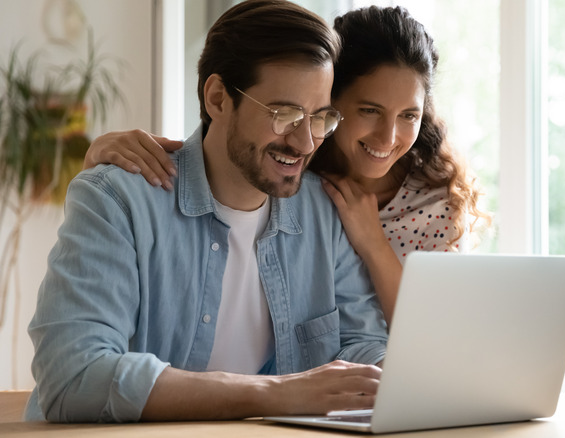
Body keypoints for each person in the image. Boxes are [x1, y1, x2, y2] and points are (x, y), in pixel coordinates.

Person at [26, 0, 387, 423]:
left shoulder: (324, 212)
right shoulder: (117, 201)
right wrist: (274, 393)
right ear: (217, 98)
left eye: (320, 118)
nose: (306, 142)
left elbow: (360, 342)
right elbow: (73, 375)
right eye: (284, 114)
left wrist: (399, 376)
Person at [84, 6, 489, 325]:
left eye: (409, 116)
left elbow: (438, 338)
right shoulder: (295, 171)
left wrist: (373, 243)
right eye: (368, 110)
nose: (388, 138)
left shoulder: (435, 203)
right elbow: (229, 144)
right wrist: (102, 153)